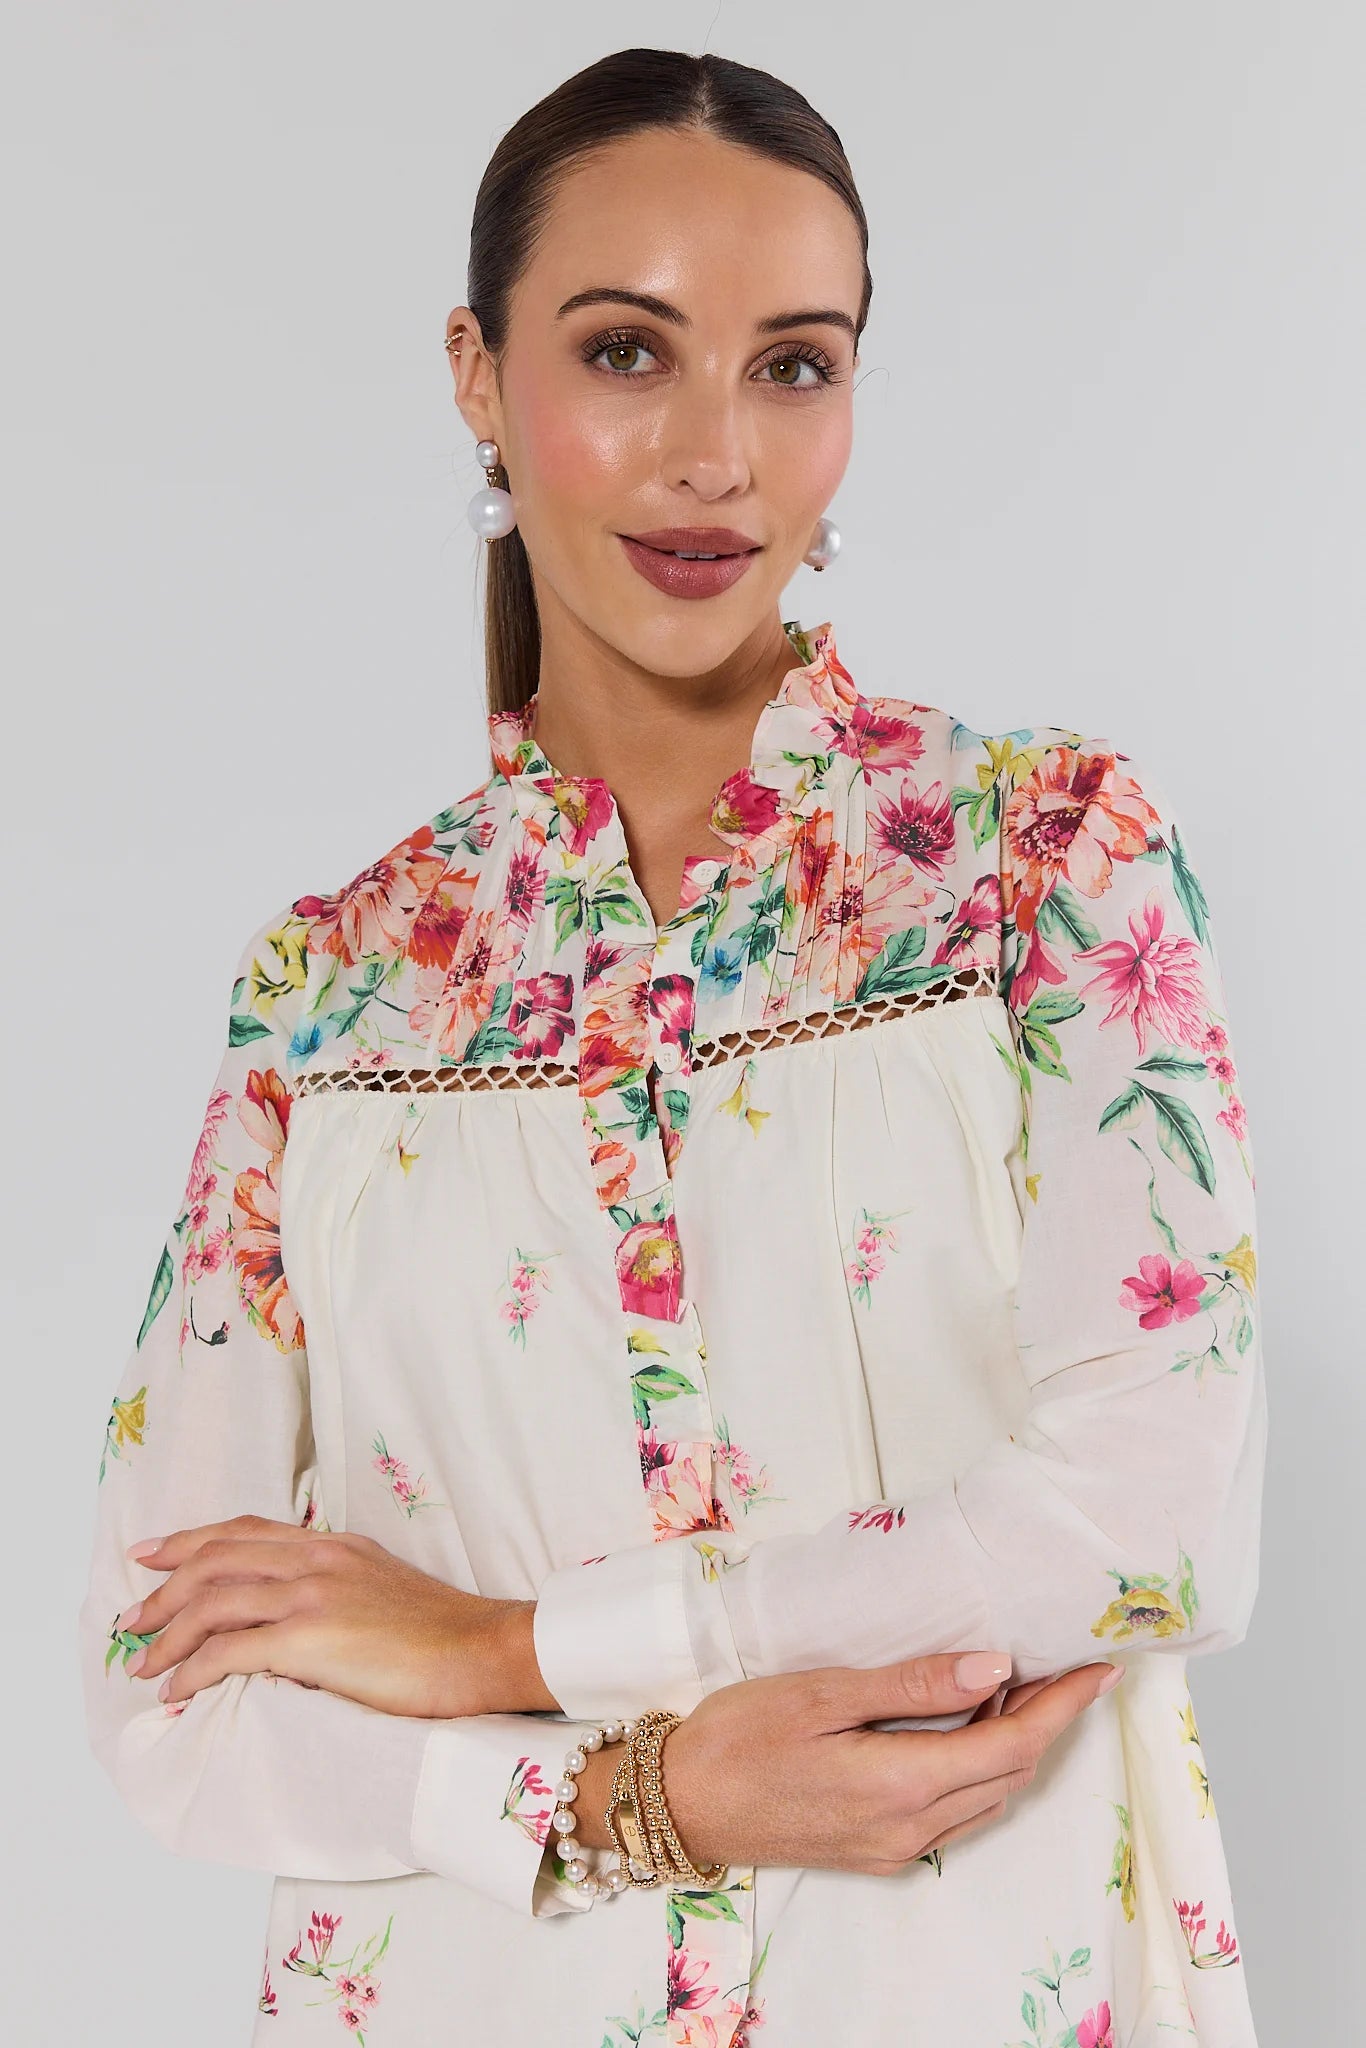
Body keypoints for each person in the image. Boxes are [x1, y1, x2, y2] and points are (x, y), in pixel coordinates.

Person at [78, 45, 1267, 2048]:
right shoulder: (333, 990)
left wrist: (495, 1652)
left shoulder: (1042, 862)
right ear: (476, 374)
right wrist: (630, 1797)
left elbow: (1145, 1523)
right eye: (626, 352)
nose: (715, 453)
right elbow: (170, 1689)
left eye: (792, 365)